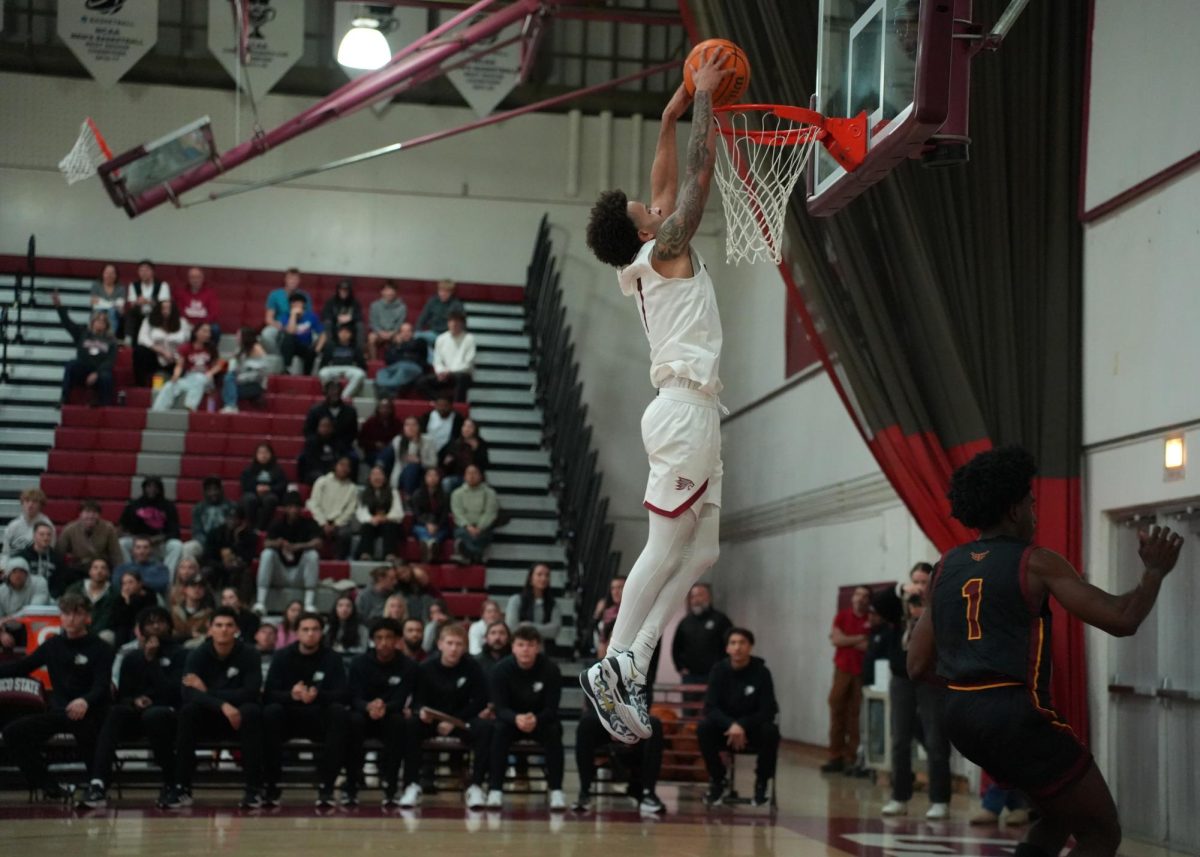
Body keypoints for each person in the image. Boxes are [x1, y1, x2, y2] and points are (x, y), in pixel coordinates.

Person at [907, 446, 1186, 857]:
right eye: (1031, 504)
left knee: (1057, 816)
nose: (1035, 514)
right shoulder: (1035, 562)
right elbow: (1122, 619)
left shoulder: (945, 567)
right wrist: (1154, 573)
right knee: (1101, 831)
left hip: (961, 716)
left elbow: (915, 665)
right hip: (1013, 713)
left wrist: (970, 681)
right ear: (1014, 509)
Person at [580, 53, 732, 745]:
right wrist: (703, 100)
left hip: (695, 408)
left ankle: (637, 657)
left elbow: (666, 178)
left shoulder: (647, 256)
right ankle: (612, 660)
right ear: (647, 229)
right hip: (682, 410)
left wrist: (669, 114)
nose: (654, 200)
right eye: (647, 209)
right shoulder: (667, 249)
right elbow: (695, 180)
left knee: (701, 552)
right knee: (666, 543)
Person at [0, 593, 113, 799]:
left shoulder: (101, 648)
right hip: (60, 712)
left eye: (77, 614)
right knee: (12, 733)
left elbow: (102, 685)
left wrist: (85, 700)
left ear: (87, 618)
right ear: (60, 617)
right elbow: (21, 667)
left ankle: (96, 785)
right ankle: (50, 786)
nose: (70, 618)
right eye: (66, 613)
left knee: (86, 726)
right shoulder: (53, 646)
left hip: (91, 711)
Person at [75, 605, 185, 809]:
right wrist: (134, 701)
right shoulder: (131, 657)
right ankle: (98, 782)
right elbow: (124, 695)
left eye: (160, 621)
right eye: (150, 623)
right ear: (140, 629)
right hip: (137, 717)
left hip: (167, 716)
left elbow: (175, 692)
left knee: (155, 715)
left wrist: (151, 661)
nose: (155, 626)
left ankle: (171, 784)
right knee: (115, 712)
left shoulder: (181, 654)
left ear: (169, 625)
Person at [162, 607, 265, 808]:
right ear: (209, 629)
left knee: (252, 711)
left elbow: (251, 692)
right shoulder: (197, 654)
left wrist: (208, 691)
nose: (224, 630)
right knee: (188, 711)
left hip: (238, 720)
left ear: (237, 629)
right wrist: (223, 705)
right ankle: (181, 787)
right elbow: (188, 693)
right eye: (218, 625)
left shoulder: (250, 654)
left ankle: (254, 789)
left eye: (229, 625)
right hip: (208, 717)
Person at [263, 611, 350, 807]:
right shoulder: (282, 656)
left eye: (315, 629)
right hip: (289, 716)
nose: (310, 633)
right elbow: (268, 694)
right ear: (297, 633)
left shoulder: (333, 658)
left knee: (339, 713)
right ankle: (271, 785)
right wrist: (291, 695)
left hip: (319, 715)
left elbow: (343, 694)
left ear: (322, 632)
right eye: (306, 629)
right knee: (270, 713)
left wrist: (318, 695)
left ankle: (327, 787)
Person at [404, 622, 493, 809]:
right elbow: (418, 700)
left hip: (461, 721)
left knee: (485, 728)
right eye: (450, 643)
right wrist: (422, 713)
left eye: (459, 644)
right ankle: (411, 784)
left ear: (465, 647)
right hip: (432, 721)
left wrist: (455, 721)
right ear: (440, 644)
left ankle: (476, 786)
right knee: (411, 726)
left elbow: (480, 701)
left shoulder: (473, 668)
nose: (454, 648)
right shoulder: (425, 667)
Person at [883, 586, 953, 818]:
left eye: (923, 584)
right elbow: (879, 601)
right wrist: (901, 589)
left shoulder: (939, 608)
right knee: (899, 739)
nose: (918, 592)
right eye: (915, 582)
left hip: (930, 678)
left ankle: (940, 799)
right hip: (902, 678)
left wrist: (928, 608)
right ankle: (899, 797)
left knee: (936, 739)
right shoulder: (900, 610)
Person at [487, 624, 566, 810]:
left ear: (538, 647)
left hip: (540, 721)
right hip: (511, 721)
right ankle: (495, 790)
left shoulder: (551, 670)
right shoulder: (501, 670)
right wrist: (516, 719)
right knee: (498, 731)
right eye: (521, 645)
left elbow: (552, 708)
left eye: (530, 645)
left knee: (554, 730)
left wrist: (535, 720)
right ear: (513, 646)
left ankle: (556, 790)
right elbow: (500, 707)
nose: (525, 650)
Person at [698, 627, 779, 807]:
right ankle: (718, 780)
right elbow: (710, 707)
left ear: (750, 646)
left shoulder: (762, 672)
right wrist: (731, 725)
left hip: (752, 729)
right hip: (725, 730)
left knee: (770, 732)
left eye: (742, 643)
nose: (737, 647)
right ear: (727, 648)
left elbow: (768, 709)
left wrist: (742, 725)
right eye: (733, 643)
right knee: (704, 728)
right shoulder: (719, 670)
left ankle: (761, 784)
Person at [346, 617, 419, 806]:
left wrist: (383, 707)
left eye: (389, 637)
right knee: (352, 721)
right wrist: (368, 707)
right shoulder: (359, 663)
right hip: (363, 714)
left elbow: (402, 698)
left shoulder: (408, 666)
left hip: (389, 714)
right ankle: (351, 786)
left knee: (398, 722)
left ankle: (391, 787)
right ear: (372, 640)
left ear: (397, 640)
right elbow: (353, 696)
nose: (384, 642)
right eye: (379, 638)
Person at [573, 704, 665, 815]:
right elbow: (593, 702)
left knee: (654, 725)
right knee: (586, 723)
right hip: (603, 719)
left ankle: (648, 793)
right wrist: (612, 724)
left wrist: (625, 724)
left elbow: (644, 701)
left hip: (633, 719)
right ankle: (584, 792)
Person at [822, 584, 871, 774]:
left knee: (855, 715)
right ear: (852, 598)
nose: (860, 598)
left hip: (861, 671)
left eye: (865, 595)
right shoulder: (842, 616)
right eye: (858, 594)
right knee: (836, 709)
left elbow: (868, 646)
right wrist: (859, 638)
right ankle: (835, 756)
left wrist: (847, 639)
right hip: (842, 669)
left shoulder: (870, 619)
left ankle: (851, 758)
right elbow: (837, 640)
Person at [256, 492, 322, 613]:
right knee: (267, 554)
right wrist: (278, 543)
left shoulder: (309, 523)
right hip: (280, 572)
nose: (294, 510)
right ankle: (260, 602)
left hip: (300, 574)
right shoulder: (277, 523)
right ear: (285, 508)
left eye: (297, 507)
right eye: (290, 507)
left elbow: (318, 543)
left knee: (312, 555)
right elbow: (266, 543)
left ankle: (309, 604)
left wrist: (299, 546)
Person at [53, 291, 118, 406]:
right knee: (71, 364)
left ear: (106, 325)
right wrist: (59, 307)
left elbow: (110, 361)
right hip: (83, 368)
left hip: (99, 371)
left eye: (103, 321)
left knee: (106, 376)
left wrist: (96, 373)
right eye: (98, 320)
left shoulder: (111, 340)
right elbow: (68, 323)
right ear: (92, 322)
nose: (100, 323)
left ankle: (104, 404)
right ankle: (64, 398)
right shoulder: (82, 333)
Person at [118, 476, 184, 577]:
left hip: (159, 544)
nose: (152, 489)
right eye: (149, 486)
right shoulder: (133, 504)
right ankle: (130, 575)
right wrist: (134, 538)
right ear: (144, 488)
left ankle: (166, 578)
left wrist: (159, 538)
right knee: (122, 543)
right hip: (138, 543)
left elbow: (175, 532)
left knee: (176, 545)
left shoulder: (169, 506)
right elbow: (121, 528)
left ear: (160, 489)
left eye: (155, 487)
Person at [670, 582, 733, 687]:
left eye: (700, 595)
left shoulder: (721, 620)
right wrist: (680, 668)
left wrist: (724, 668)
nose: (696, 600)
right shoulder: (685, 622)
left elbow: (729, 645)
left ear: (709, 597)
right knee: (688, 704)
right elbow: (676, 647)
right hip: (690, 676)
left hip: (715, 675)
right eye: (693, 596)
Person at [201, 505, 258, 603]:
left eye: (235, 518)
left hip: (238, 571)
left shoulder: (250, 536)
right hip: (218, 568)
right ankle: (206, 604)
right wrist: (222, 566)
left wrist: (237, 539)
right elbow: (207, 558)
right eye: (229, 518)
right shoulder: (215, 533)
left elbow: (248, 559)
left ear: (242, 521)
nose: (232, 521)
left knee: (247, 574)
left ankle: (243, 606)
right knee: (206, 572)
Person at [307, 455, 359, 559]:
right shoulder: (322, 481)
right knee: (309, 529)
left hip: (339, 523)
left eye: (347, 466)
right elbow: (313, 504)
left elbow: (350, 511)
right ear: (335, 466)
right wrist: (323, 523)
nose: (344, 468)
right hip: (320, 520)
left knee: (345, 534)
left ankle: (338, 562)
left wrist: (336, 524)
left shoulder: (352, 488)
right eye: (341, 465)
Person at [418, 310, 475, 402]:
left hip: (461, 374)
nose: (453, 325)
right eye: (451, 322)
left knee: (461, 378)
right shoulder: (441, 339)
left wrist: (450, 372)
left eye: (457, 323)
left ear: (462, 324)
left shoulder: (469, 339)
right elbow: (437, 360)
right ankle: (440, 402)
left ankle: (457, 406)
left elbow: (468, 364)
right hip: (444, 374)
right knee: (421, 382)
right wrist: (441, 372)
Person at [58, 500, 124, 579]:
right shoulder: (69, 529)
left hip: (102, 569)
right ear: (80, 514)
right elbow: (59, 553)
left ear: (99, 515)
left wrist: (120, 574)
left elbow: (116, 555)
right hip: (78, 569)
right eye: (87, 512)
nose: (90, 516)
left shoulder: (108, 528)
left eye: (94, 513)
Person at [134, 298, 191, 387]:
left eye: (168, 308)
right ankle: (141, 383)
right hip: (155, 357)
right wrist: (162, 351)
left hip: (176, 359)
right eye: (163, 308)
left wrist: (176, 355)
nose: (165, 311)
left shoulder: (182, 323)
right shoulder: (149, 321)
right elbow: (142, 338)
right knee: (139, 350)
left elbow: (188, 341)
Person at [450, 464, 499, 565]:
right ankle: (477, 554)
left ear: (480, 476)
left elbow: (490, 512)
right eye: (469, 473)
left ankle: (467, 554)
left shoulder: (490, 493)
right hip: (465, 527)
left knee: (484, 535)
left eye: (474, 473)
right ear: (464, 476)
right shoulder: (457, 494)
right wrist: (468, 527)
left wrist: (479, 527)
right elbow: (458, 513)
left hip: (483, 528)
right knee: (460, 533)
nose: (471, 476)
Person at [506, 563, 562, 649]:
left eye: (547, 575)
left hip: (545, 650)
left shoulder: (553, 603)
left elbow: (554, 630)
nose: (544, 578)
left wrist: (529, 626)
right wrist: (543, 629)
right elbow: (512, 628)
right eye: (539, 575)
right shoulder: (516, 600)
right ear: (530, 578)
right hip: (521, 649)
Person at [355, 465, 405, 562]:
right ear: (370, 478)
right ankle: (366, 554)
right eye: (374, 475)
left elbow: (398, 512)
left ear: (384, 477)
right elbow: (361, 512)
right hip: (373, 523)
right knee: (367, 526)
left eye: (379, 474)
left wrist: (385, 518)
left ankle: (390, 554)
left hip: (389, 522)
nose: (377, 478)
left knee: (390, 526)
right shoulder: (364, 493)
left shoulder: (393, 492)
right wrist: (372, 519)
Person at [1, 559, 51, 651]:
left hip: (35, 624)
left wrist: (11, 618)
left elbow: (35, 610)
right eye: (14, 571)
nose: (18, 575)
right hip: (10, 627)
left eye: (22, 571)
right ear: (8, 574)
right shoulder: (1, 591)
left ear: (27, 573)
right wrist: (2, 634)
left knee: (33, 625)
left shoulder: (39, 582)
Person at [183, 477, 235, 562]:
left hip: (226, 544)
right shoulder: (198, 508)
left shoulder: (231, 507)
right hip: (204, 543)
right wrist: (209, 544)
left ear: (221, 490)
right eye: (209, 490)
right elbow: (197, 532)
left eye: (215, 489)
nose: (213, 493)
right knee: (187, 548)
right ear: (204, 492)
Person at [66, 558, 118, 642]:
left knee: (107, 636)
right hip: (77, 628)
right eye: (95, 568)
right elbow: (68, 611)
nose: (99, 571)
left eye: (103, 568)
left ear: (108, 573)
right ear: (89, 571)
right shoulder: (75, 589)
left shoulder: (114, 593)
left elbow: (108, 619)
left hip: (101, 632)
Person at [261, 267, 310, 355]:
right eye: (290, 278)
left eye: (295, 279)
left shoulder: (305, 296)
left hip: (299, 325)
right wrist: (279, 326)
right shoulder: (275, 294)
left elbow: (308, 316)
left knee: (314, 336)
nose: (293, 281)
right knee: (266, 334)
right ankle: (277, 357)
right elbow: (268, 318)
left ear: (299, 281)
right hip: (279, 325)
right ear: (285, 280)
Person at [240, 443, 288, 530]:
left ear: (271, 455)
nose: (263, 455)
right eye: (260, 453)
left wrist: (269, 488)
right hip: (253, 493)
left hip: (270, 494)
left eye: (266, 453)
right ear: (256, 455)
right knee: (249, 499)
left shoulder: (277, 469)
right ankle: (252, 527)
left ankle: (260, 528)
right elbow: (245, 485)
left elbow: (283, 485)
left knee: (270, 499)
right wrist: (256, 488)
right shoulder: (249, 469)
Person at [220, 327, 268, 413]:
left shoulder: (257, 349)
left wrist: (240, 377)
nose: (236, 337)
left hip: (254, 384)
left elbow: (260, 374)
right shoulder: (240, 349)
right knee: (227, 381)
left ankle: (231, 405)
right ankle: (231, 405)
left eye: (238, 335)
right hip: (240, 381)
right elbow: (234, 366)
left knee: (229, 384)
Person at [20, 521, 75, 597]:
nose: (45, 538)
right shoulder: (22, 556)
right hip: (25, 594)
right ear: (34, 536)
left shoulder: (57, 558)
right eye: (41, 534)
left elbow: (60, 583)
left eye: (48, 535)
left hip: (49, 597)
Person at [108, 569, 160, 647]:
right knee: (121, 631)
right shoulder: (119, 599)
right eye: (124, 583)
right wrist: (126, 601)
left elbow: (142, 616)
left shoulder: (149, 596)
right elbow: (117, 620)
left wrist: (130, 603)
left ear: (140, 583)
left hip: (142, 627)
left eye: (130, 582)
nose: (127, 586)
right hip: (123, 630)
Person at [124, 259, 170, 345]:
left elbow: (164, 303)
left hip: (155, 314)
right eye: (141, 270)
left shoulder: (162, 285)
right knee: (131, 313)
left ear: (152, 272)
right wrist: (139, 302)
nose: (144, 273)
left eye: (146, 270)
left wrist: (147, 301)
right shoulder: (134, 285)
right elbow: (132, 303)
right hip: (140, 313)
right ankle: (128, 338)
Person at [375, 323, 428, 398]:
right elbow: (388, 359)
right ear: (399, 333)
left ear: (412, 333)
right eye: (403, 331)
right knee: (381, 372)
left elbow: (415, 352)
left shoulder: (419, 341)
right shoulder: (396, 344)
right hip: (396, 366)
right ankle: (386, 389)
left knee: (402, 370)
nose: (406, 334)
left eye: (408, 331)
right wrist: (398, 346)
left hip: (413, 366)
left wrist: (401, 349)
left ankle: (386, 390)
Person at [389, 415, 438, 496]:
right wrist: (412, 442)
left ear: (419, 427)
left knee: (414, 466)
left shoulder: (428, 440)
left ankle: (409, 497)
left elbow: (434, 462)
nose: (410, 428)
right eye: (407, 425)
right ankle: (408, 496)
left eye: (414, 425)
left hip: (424, 474)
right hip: (402, 474)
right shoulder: (398, 440)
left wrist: (420, 461)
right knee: (412, 467)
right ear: (403, 427)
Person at [410, 467, 451, 562]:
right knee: (420, 530)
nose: (432, 478)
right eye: (429, 475)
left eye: (435, 475)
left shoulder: (445, 495)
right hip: (422, 524)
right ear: (425, 478)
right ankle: (430, 546)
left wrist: (437, 525)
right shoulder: (417, 494)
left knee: (442, 532)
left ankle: (430, 546)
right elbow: (417, 514)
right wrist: (427, 524)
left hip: (439, 525)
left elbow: (445, 514)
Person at [318, 323, 369, 399]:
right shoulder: (331, 345)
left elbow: (362, 364)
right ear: (338, 334)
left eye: (346, 332)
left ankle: (343, 397)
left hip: (349, 368)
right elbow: (324, 362)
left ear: (351, 334)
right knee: (323, 373)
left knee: (360, 374)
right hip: (334, 368)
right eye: (341, 332)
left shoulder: (355, 346)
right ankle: (331, 393)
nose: (344, 335)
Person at [438, 418, 488, 495]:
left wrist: (475, 450)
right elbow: (443, 461)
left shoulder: (481, 444)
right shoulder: (455, 443)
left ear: (475, 429)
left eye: (470, 427)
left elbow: (485, 464)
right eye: (464, 426)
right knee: (446, 482)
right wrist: (447, 462)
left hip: (474, 476)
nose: (466, 429)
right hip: (459, 475)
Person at [2, 487, 53, 562]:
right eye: (27, 501)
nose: (30, 505)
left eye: (34, 501)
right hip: (14, 567)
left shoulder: (47, 526)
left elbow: (50, 553)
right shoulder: (13, 526)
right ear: (22, 503)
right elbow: (5, 553)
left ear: (41, 505)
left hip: (37, 565)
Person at [280, 292, 325, 376]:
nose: (296, 304)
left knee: (311, 352)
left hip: (305, 346)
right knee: (288, 338)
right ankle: (286, 369)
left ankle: (307, 375)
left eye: (298, 302)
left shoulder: (311, 316)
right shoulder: (285, 316)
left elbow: (322, 334)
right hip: (291, 347)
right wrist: (293, 315)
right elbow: (291, 331)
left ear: (303, 304)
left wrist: (317, 349)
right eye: (293, 302)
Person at [305, 380, 360, 448]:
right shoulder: (315, 410)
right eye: (332, 390)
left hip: (343, 448)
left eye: (337, 390)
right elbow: (308, 432)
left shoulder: (350, 411)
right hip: (318, 447)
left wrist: (340, 445)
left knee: (353, 458)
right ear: (326, 392)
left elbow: (353, 433)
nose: (335, 392)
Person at [299, 416, 351, 485]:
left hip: (333, 472)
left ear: (332, 428)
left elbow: (340, 459)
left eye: (328, 426)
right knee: (320, 478)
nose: (325, 429)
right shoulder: (311, 442)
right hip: (315, 472)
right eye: (322, 426)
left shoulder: (338, 443)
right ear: (318, 428)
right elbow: (310, 462)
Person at [414, 279, 465, 347]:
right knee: (416, 336)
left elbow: (461, 323)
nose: (443, 294)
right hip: (433, 333)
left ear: (451, 292)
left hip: (449, 335)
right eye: (441, 291)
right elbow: (422, 318)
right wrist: (418, 329)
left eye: (446, 292)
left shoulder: (457, 305)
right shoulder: (432, 301)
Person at [367, 280, 407, 362]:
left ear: (395, 292)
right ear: (382, 292)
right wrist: (380, 332)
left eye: (392, 290)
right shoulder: (374, 305)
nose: (389, 293)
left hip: (394, 333)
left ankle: (398, 361)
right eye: (387, 290)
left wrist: (392, 333)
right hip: (379, 332)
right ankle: (373, 362)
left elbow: (400, 323)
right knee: (371, 338)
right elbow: (373, 322)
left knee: (400, 338)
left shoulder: (402, 307)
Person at [321, 278, 365, 350]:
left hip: (350, 328)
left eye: (345, 290)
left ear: (349, 291)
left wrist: (350, 317)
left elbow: (360, 316)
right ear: (338, 290)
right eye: (341, 290)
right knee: (327, 323)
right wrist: (337, 318)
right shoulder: (331, 301)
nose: (343, 292)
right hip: (335, 327)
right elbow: (325, 315)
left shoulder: (354, 302)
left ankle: (359, 351)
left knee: (360, 325)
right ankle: (329, 348)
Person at [358, 396, 401, 469]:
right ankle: (379, 466)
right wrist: (375, 444)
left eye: (388, 408)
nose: (385, 410)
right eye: (382, 407)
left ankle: (379, 466)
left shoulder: (397, 423)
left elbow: (400, 441)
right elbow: (361, 441)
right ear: (378, 409)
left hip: (392, 453)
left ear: (391, 410)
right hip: (373, 453)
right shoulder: (370, 422)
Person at [176, 266, 220, 337]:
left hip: (204, 323)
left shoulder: (210, 293)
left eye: (198, 277)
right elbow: (179, 311)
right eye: (192, 277)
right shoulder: (181, 293)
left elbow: (214, 313)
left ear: (202, 278)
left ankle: (210, 348)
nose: (195, 280)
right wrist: (189, 323)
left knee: (215, 329)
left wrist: (200, 325)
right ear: (188, 279)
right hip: (186, 323)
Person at [171, 577, 215, 645]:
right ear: (185, 589)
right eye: (193, 586)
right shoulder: (174, 611)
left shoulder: (209, 613)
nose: (197, 589)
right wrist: (189, 635)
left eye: (200, 587)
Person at [90, 262, 125, 334]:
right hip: (98, 311)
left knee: (112, 312)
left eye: (112, 273)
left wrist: (102, 302)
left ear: (116, 275)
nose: (109, 275)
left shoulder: (120, 288)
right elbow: (94, 303)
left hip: (115, 314)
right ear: (102, 274)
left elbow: (120, 307)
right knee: (99, 312)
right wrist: (112, 304)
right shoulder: (96, 285)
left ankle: (110, 335)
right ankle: (94, 334)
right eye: (107, 273)